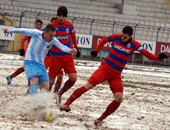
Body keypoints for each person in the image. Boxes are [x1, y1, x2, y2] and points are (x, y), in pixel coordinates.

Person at [59, 26, 167, 127]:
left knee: (119, 99)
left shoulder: (135, 45)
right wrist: (96, 50)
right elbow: (103, 40)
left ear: (130, 36)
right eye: (122, 35)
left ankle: (99, 120)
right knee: (88, 86)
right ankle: (66, 104)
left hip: (116, 74)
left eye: (125, 36)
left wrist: (158, 58)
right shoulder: (116, 37)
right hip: (105, 69)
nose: (123, 38)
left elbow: (148, 55)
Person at [4, 24, 77, 95]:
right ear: (45, 32)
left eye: (54, 35)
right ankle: (32, 101)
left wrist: (70, 50)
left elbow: (62, 47)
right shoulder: (36, 33)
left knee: (45, 87)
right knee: (34, 80)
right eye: (51, 35)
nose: (52, 37)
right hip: (30, 61)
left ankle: (39, 102)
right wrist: (9, 31)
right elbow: (22, 30)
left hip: (41, 64)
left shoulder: (53, 40)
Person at [49, 6, 81, 101]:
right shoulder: (52, 25)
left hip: (67, 57)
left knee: (73, 78)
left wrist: (77, 48)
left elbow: (73, 37)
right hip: (55, 57)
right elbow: (47, 37)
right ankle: (45, 97)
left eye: (63, 16)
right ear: (57, 16)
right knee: (50, 81)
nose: (61, 18)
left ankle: (59, 93)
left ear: (66, 17)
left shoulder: (70, 26)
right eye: (59, 15)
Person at [6, 19, 43, 85]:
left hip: (36, 55)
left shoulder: (42, 34)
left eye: (39, 25)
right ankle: (30, 83)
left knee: (27, 68)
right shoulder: (31, 33)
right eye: (37, 24)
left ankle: (11, 77)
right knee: (31, 68)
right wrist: (23, 49)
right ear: (34, 25)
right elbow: (23, 40)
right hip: (29, 54)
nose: (38, 26)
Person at [44, 17, 64, 93]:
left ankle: (55, 93)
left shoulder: (58, 35)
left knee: (60, 77)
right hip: (48, 57)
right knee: (49, 78)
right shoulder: (46, 33)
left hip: (58, 58)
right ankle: (47, 92)